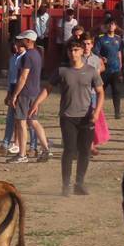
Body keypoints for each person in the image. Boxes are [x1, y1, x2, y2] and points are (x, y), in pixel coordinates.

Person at [33, 39, 103, 195]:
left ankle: (80, 183)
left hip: (87, 117)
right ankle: (66, 185)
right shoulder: (61, 71)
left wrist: (97, 111)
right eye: (70, 50)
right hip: (67, 116)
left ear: (82, 51)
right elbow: (48, 88)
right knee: (69, 150)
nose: (73, 53)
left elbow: (100, 92)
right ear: (67, 52)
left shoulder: (91, 71)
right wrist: (37, 102)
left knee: (85, 150)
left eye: (76, 50)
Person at [7, 30, 50, 163]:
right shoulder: (37, 54)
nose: (20, 41)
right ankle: (46, 149)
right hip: (35, 92)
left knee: (21, 122)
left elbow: (23, 76)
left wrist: (14, 95)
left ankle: (22, 154)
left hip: (25, 93)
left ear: (29, 41)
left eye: (23, 39)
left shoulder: (27, 56)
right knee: (33, 121)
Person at [94, 19, 124, 120]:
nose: (111, 26)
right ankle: (97, 110)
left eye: (113, 24)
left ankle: (117, 112)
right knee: (100, 91)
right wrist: (101, 58)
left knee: (116, 90)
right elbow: (96, 51)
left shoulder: (118, 39)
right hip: (104, 70)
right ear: (106, 26)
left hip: (115, 69)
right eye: (109, 24)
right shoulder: (101, 38)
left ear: (115, 26)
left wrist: (120, 67)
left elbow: (119, 53)